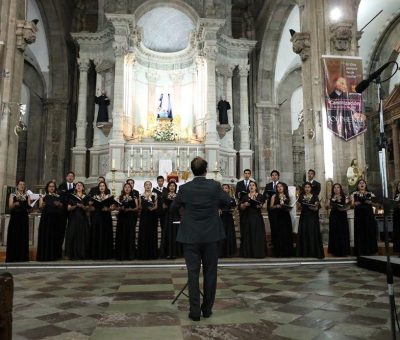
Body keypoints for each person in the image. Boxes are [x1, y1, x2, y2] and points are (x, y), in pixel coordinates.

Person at [171, 157, 230, 321]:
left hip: (190, 235)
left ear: (191, 170)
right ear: (206, 170)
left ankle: (194, 311)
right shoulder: (214, 186)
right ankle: (207, 310)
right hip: (211, 235)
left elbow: (173, 207)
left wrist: (184, 211)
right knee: (210, 273)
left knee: (193, 273)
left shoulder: (185, 188)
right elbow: (228, 202)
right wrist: (217, 208)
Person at [36, 181, 64, 261]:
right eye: (50, 186)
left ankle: (53, 256)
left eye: (53, 186)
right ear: (47, 188)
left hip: (55, 220)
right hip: (46, 220)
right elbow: (40, 207)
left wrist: (59, 204)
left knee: (54, 237)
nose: (52, 188)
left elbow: (62, 206)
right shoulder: (43, 196)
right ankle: (44, 256)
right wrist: (42, 203)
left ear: (55, 188)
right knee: (45, 236)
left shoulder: (58, 196)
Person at [297, 182, 324, 259]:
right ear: (304, 188)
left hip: (312, 218)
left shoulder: (315, 196)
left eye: (308, 187)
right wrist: (299, 205)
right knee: (304, 233)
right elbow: (298, 208)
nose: (307, 188)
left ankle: (313, 252)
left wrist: (313, 207)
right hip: (304, 217)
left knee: (312, 233)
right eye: (305, 187)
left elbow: (316, 208)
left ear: (311, 188)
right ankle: (304, 252)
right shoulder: (301, 196)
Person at [239, 181, 266, 258]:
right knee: (248, 234)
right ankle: (248, 253)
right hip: (247, 217)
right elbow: (241, 207)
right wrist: (244, 204)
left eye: (253, 185)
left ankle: (258, 253)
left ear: (256, 187)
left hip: (257, 217)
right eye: (250, 185)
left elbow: (264, 207)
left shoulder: (260, 196)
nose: (251, 187)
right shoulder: (245, 196)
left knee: (257, 235)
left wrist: (260, 206)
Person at [351, 179, 378, 256]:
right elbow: (351, 205)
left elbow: (377, 204)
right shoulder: (354, 194)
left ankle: (371, 250)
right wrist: (355, 204)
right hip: (359, 216)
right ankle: (360, 251)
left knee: (369, 231)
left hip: (368, 216)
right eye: (360, 183)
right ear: (357, 185)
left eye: (363, 183)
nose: (362, 184)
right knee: (360, 232)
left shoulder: (370, 194)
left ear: (366, 185)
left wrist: (371, 202)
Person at [6, 180, 31, 262]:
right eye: (20, 184)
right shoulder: (13, 195)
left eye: (23, 184)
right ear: (17, 186)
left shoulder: (27, 195)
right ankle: (12, 257)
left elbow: (29, 207)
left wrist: (30, 207)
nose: (22, 186)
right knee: (14, 236)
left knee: (23, 236)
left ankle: (23, 257)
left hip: (24, 218)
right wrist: (14, 204)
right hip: (15, 218)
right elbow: (10, 207)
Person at [89, 181, 114, 260]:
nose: (102, 187)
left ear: (105, 187)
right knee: (97, 234)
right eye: (100, 186)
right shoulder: (95, 196)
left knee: (106, 234)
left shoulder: (109, 196)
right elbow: (91, 207)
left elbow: (112, 207)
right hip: (97, 217)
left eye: (103, 186)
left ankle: (106, 254)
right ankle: (96, 254)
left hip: (106, 217)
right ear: (98, 188)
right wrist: (90, 205)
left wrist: (108, 208)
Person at [65, 182, 90, 260]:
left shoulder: (86, 197)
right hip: (73, 219)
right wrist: (76, 205)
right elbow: (68, 209)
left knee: (82, 236)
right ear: (75, 188)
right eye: (77, 185)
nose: (79, 186)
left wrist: (83, 206)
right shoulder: (72, 197)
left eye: (81, 185)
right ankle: (72, 254)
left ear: (83, 188)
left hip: (83, 219)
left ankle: (82, 254)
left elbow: (88, 211)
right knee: (73, 235)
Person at [269, 182, 294, 257]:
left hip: (286, 216)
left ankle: (287, 252)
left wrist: (288, 207)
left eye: (281, 186)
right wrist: (276, 206)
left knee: (286, 233)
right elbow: (271, 207)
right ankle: (278, 253)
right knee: (278, 234)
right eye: (278, 187)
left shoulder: (287, 196)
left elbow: (290, 206)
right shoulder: (274, 196)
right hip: (277, 217)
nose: (279, 188)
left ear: (284, 188)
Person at [326, 183, 350, 257]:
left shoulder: (344, 196)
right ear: (333, 189)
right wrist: (329, 204)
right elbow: (327, 207)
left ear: (340, 189)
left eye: (338, 187)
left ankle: (344, 251)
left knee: (343, 232)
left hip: (342, 215)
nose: (336, 189)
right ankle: (335, 251)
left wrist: (344, 207)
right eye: (335, 188)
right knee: (334, 232)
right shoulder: (331, 197)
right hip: (334, 216)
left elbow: (348, 206)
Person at [115, 183, 139, 260]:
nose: (127, 188)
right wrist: (119, 208)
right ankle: (121, 255)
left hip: (130, 217)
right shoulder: (120, 197)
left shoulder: (134, 197)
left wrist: (130, 209)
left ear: (131, 189)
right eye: (126, 187)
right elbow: (117, 207)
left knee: (130, 234)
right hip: (122, 217)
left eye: (129, 187)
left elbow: (137, 208)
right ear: (123, 188)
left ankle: (130, 255)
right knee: (121, 234)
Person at [159, 180, 182, 259]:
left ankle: (175, 253)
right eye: (170, 186)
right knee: (168, 233)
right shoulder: (165, 195)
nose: (172, 187)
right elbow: (162, 207)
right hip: (168, 216)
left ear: (175, 187)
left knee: (175, 233)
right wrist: (164, 205)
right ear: (168, 187)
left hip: (176, 216)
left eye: (173, 186)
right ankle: (168, 253)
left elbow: (181, 206)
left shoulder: (178, 196)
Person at [137, 181, 158, 259]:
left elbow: (156, 205)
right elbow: (139, 206)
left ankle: (152, 254)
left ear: (151, 186)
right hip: (144, 216)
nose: (148, 186)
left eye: (149, 185)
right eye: (146, 185)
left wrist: (152, 208)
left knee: (151, 233)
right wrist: (142, 207)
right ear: (144, 186)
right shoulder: (141, 195)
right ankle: (143, 254)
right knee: (143, 233)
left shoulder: (154, 194)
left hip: (152, 216)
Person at [57, 171, 76, 258]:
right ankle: (59, 252)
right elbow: (60, 197)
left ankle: (71, 252)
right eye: (69, 176)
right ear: (66, 177)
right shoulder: (61, 186)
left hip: (73, 211)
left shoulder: (76, 187)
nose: (70, 177)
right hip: (63, 211)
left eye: (72, 176)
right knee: (61, 230)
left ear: (74, 178)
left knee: (72, 231)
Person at [263, 170, 280, 250]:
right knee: (272, 225)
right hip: (271, 208)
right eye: (272, 175)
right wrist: (266, 195)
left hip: (280, 209)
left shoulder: (282, 185)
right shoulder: (268, 185)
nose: (274, 176)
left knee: (280, 225)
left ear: (278, 176)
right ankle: (273, 242)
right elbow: (264, 195)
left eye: (275, 175)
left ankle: (279, 242)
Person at [218, 184, 237, 258]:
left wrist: (233, 209)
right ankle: (220, 252)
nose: (224, 189)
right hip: (221, 218)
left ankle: (229, 252)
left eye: (226, 188)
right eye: (223, 188)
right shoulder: (218, 199)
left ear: (229, 189)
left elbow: (234, 207)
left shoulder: (231, 198)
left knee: (229, 234)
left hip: (229, 217)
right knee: (221, 233)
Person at [392, 182, 400, 252]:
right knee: (398, 234)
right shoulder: (396, 196)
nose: (399, 187)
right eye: (399, 186)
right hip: (397, 216)